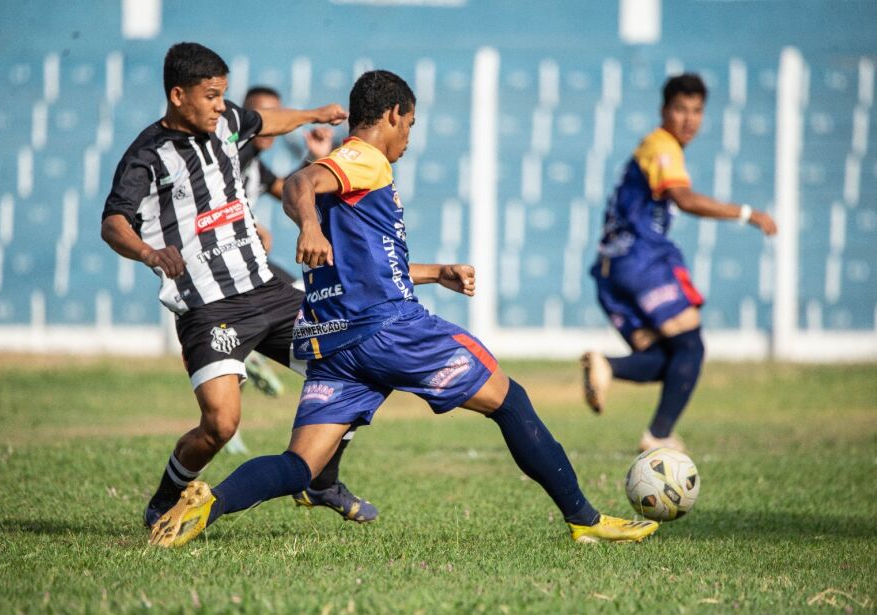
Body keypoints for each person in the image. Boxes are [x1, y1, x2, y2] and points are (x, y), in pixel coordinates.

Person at [148, 69, 659, 548]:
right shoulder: (364, 159)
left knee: (300, 466)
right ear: (392, 114)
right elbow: (300, 186)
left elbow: (362, 257)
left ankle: (206, 506)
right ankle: (586, 521)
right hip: (389, 331)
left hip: (336, 344)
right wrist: (306, 226)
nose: (409, 137)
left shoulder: (342, 177)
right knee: (511, 400)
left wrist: (436, 272)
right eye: (410, 124)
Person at [101, 42, 377, 528]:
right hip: (209, 307)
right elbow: (113, 222)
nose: (218, 105)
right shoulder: (148, 155)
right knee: (221, 424)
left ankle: (321, 479)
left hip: (267, 289)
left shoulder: (227, 122)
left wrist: (317, 113)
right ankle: (165, 498)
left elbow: (266, 121)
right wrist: (148, 252)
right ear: (178, 94)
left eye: (222, 95)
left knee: (348, 363)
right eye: (210, 96)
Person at [580, 73, 778, 453]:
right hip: (642, 261)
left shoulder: (652, 147)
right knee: (690, 348)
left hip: (610, 271)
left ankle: (607, 366)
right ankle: (658, 437)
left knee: (662, 358)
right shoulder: (663, 147)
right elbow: (683, 199)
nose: (689, 120)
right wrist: (747, 213)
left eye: (697, 111)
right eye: (681, 110)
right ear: (664, 111)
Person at [237, 85, 335, 400]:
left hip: (246, 262)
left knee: (304, 295)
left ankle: (248, 347)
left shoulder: (253, 162)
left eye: (277, 114)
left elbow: (286, 189)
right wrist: (250, 225)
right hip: (223, 266)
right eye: (264, 115)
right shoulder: (229, 155)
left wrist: (312, 159)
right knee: (305, 301)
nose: (273, 122)